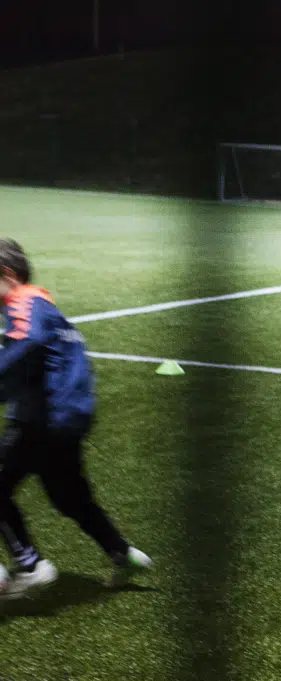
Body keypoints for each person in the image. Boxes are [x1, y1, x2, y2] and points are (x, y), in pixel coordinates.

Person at [0, 238, 152, 598]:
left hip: (43, 418)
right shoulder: (52, 311)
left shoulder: (23, 304)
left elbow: (27, 342)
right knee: (69, 497)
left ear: (8, 275)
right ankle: (123, 553)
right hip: (69, 419)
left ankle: (31, 565)